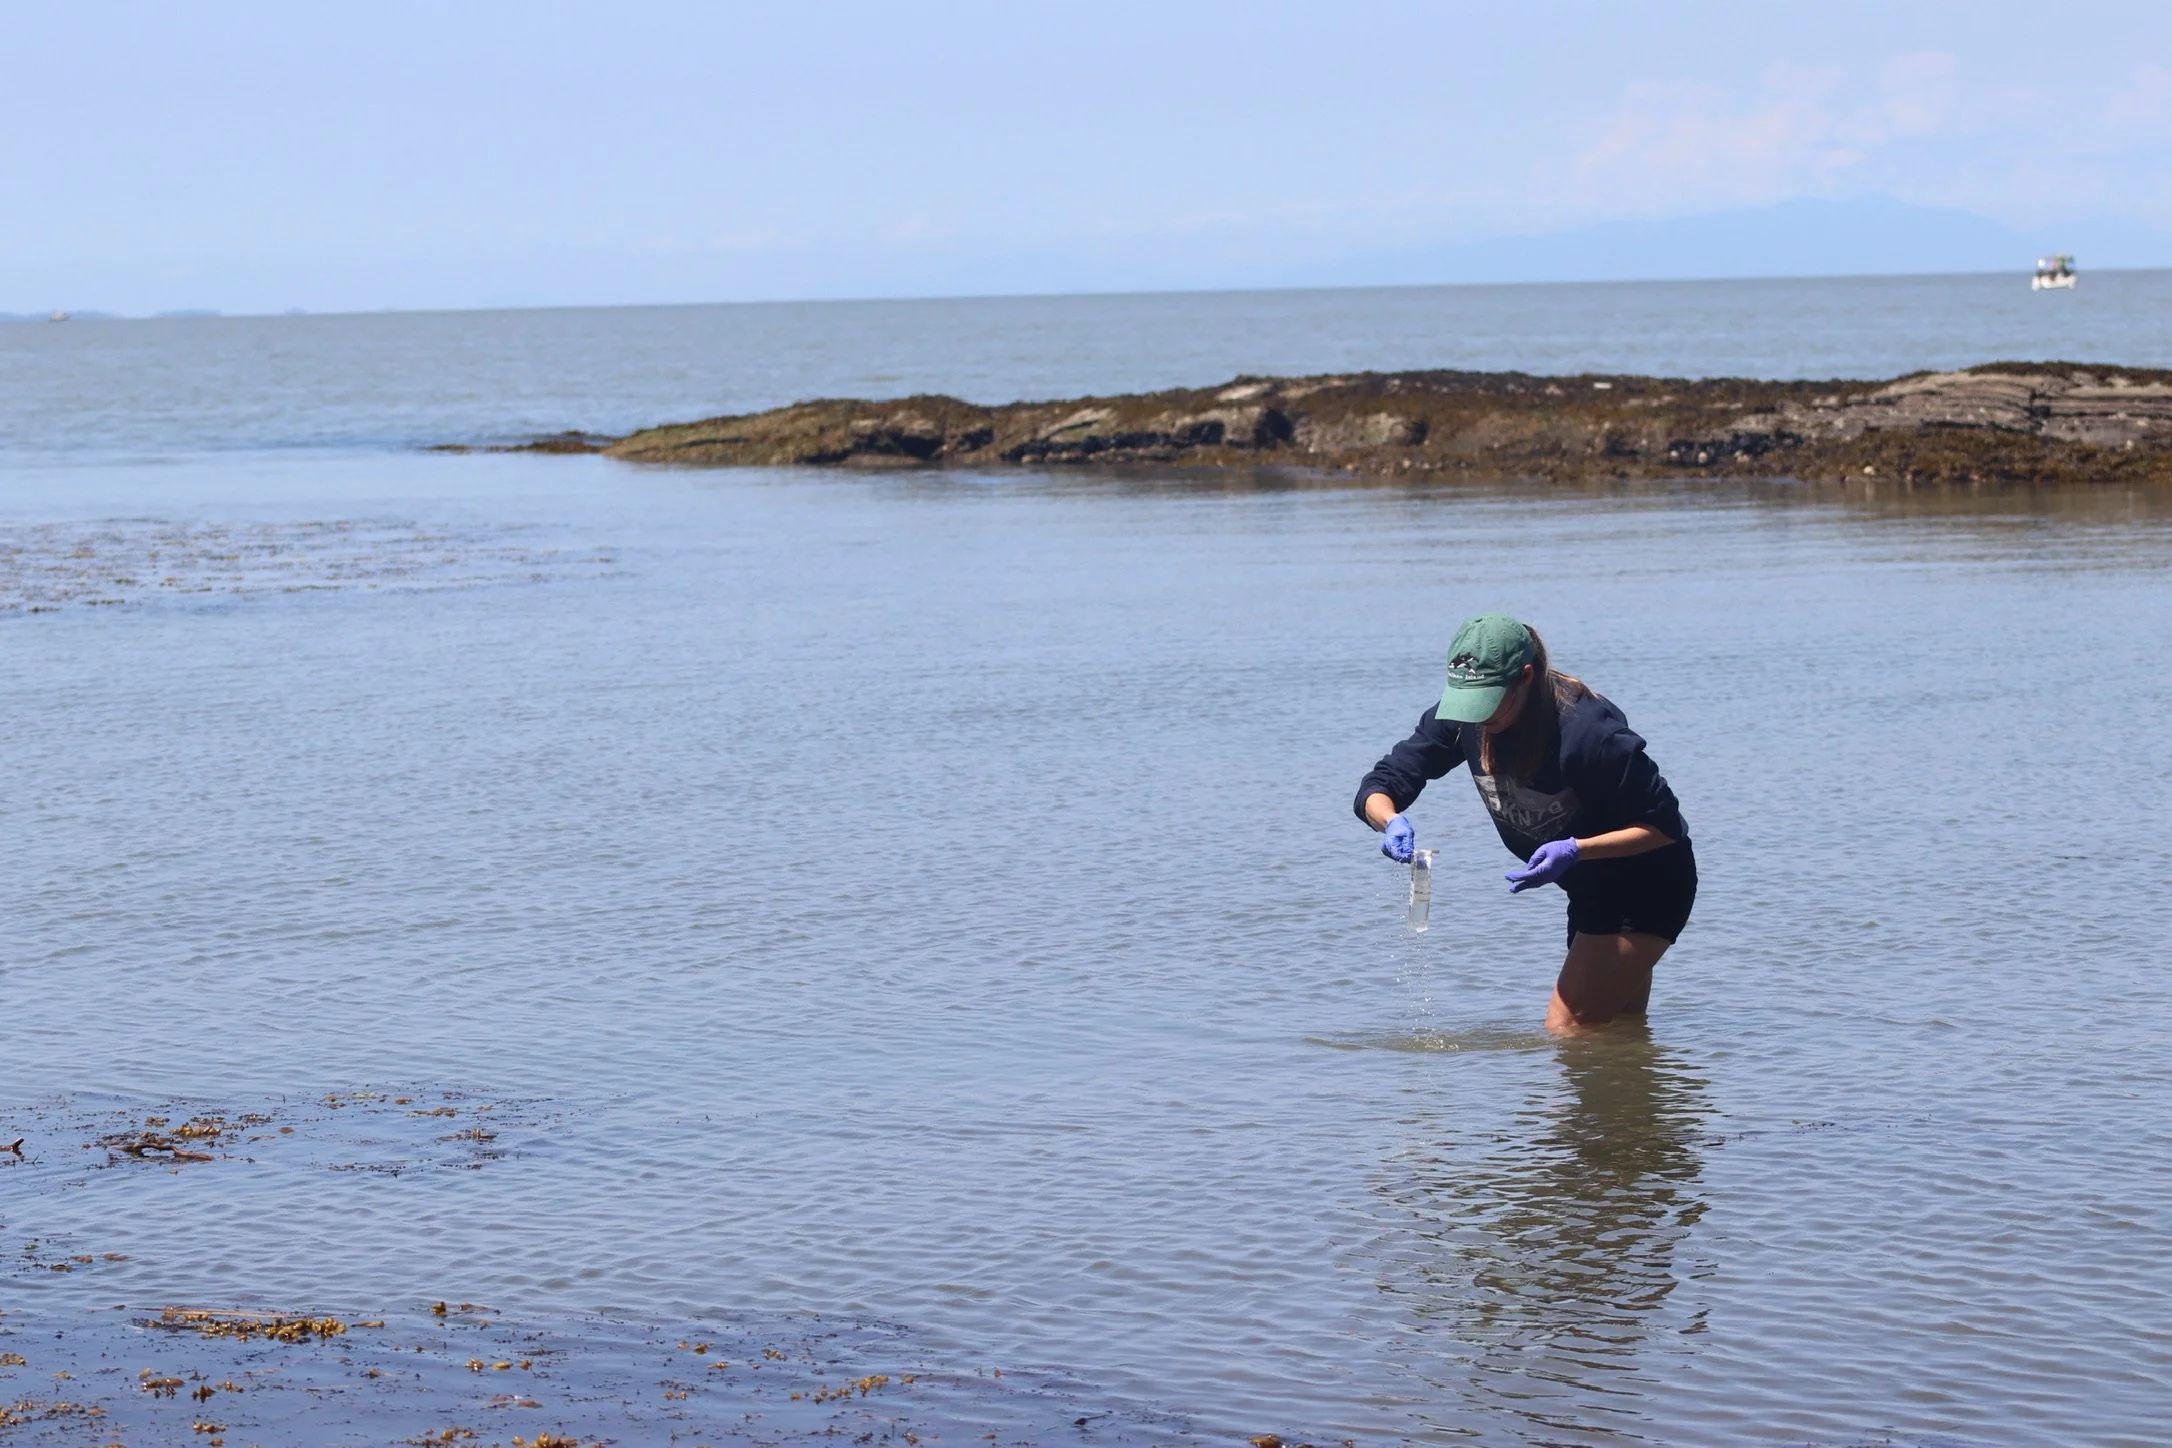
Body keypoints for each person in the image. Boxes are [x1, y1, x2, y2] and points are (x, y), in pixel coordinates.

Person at [1355, 614, 1695, 1033]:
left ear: (1525, 678)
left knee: (1567, 1030)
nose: (1478, 719)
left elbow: (1664, 826)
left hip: (1646, 883)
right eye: (1469, 702)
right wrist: (1388, 819)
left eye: (1490, 702)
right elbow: (1384, 781)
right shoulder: (1464, 716)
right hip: (1590, 888)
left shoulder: (1588, 733)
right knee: (1619, 1034)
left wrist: (1576, 849)